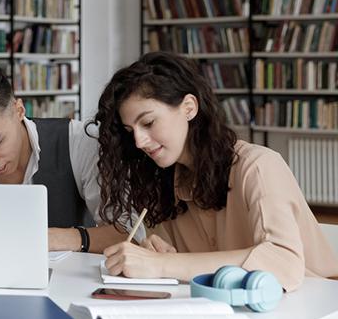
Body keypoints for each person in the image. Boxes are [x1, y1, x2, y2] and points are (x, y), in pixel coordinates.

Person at [95, 51, 338, 291]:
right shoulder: (163, 183)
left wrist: (164, 264)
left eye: (148, 123)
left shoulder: (258, 166)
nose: (138, 141)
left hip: (313, 306)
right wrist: (159, 255)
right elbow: (184, 267)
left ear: (189, 107)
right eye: (130, 131)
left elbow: (283, 263)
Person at [0, 62, 133, 253]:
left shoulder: (79, 142)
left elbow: (129, 232)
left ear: (19, 110)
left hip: (68, 285)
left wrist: (62, 239)